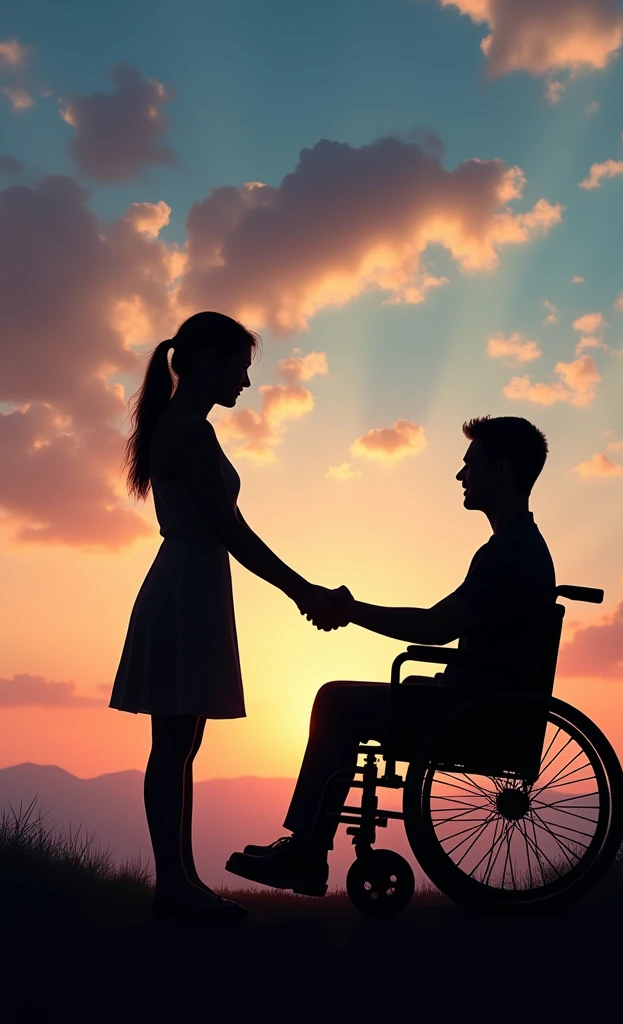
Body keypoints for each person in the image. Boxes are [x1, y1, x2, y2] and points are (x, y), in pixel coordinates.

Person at [226, 415, 556, 897]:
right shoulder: (517, 547)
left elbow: (434, 627)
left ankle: (307, 852)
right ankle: (307, 847)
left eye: (470, 463)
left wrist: (352, 610)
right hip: (480, 701)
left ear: (502, 471)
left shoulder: (511, 553)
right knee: (364, 698)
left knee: (337, 702)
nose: (460, 475)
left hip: (474, 714)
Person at [109, 311, 346, 920]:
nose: (244, 381)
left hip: (192, 583)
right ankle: (174, 885)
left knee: (181, 742)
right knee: (173, 744)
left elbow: (225, 529)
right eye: (240, 366)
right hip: (188, 586)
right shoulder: (190, 430)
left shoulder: (182, 424)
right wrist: (302, 590)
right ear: (210, 360)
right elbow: (230, 529)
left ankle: (179, 881)